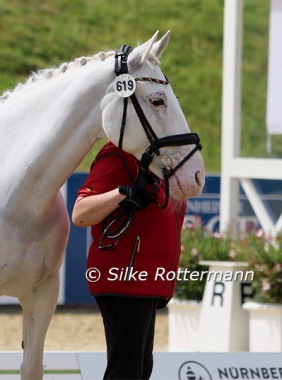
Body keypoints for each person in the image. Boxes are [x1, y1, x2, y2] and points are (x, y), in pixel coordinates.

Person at [71, 140, 187, 380]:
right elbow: (80, 213)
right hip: (125, 279)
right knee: (126, 371)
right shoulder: (118, 154)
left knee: (139, 369)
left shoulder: (156, 162)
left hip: (145, 281)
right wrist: (122, 193)